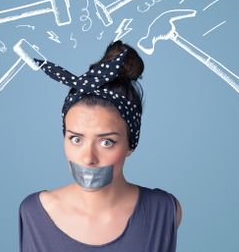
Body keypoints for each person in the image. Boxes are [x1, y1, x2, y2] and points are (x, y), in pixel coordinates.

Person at [19, 41, 182, 251]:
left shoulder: (164, 210)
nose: (88, 158)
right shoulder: (33, 213)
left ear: (131, 144)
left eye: (106, 142)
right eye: (76, 139)